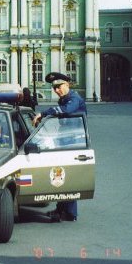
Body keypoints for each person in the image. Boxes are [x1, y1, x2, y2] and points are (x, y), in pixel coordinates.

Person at [32, 72, 87, 222]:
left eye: (59, 86)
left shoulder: (74, 99)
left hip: (74, 143)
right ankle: (62, 209)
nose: (57, 90)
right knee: (62, 177)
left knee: (67, 177)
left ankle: (69, 213)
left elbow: (65, 111)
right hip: (67, 141)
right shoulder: (65, 99)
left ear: (67, 84)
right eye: (54, 88)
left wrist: (44, 113)